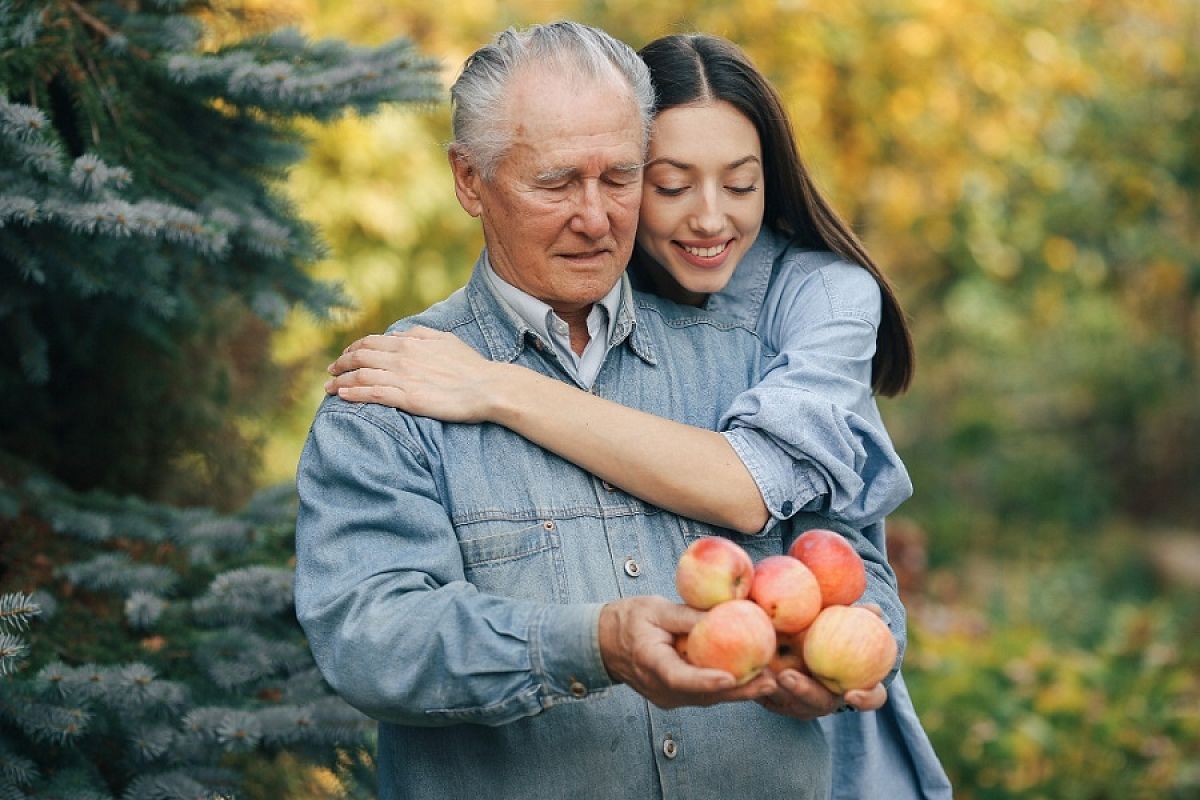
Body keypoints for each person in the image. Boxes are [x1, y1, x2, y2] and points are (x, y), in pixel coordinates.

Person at [324, 32, 952, 799]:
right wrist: (591, 645)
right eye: (557, 183)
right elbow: (372, 640)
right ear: (469, 179)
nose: (595, 218)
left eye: (620, 177)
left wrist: (845, 652)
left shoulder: (752, 355)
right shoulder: (396, 390)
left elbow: (857, 565)